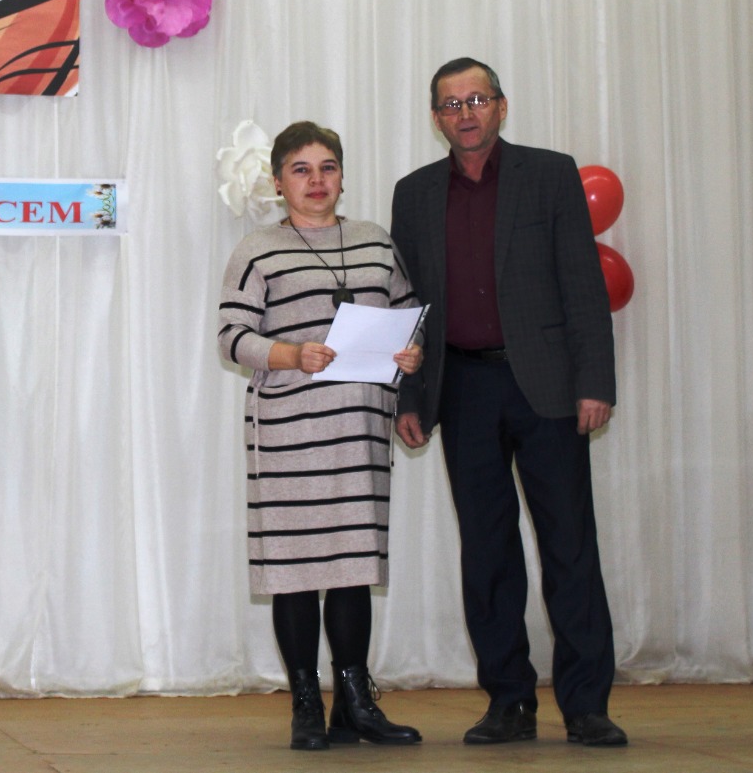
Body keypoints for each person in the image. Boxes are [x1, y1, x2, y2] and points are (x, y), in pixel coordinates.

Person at [388, 57, 627, 748]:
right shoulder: (414, 193)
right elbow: (408, 306)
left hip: (546, 388)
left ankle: (586, 705)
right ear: (436, 117)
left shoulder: (549, 174)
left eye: (477, 99)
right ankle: (509, 701)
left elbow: (583, 285)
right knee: (487, 552)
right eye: (451, 103)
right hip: (462, 388)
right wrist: (410, 395)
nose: (465, 113)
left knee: (569, 546)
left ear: (500, 105)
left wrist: (595, 381)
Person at [218, 121, 425, 752]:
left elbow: (409, 313)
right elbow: (232, 337)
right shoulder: (257, 250)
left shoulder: (375, 242)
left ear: (342, 175)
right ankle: (306, 704)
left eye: (327, 167)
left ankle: (355, 705)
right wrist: (290, 354)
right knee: (296, 571)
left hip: (360, 433)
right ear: (278, 182)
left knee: (353, 567)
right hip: (288, 433)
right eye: (301, 170)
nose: (316, 181)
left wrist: (411, 351)